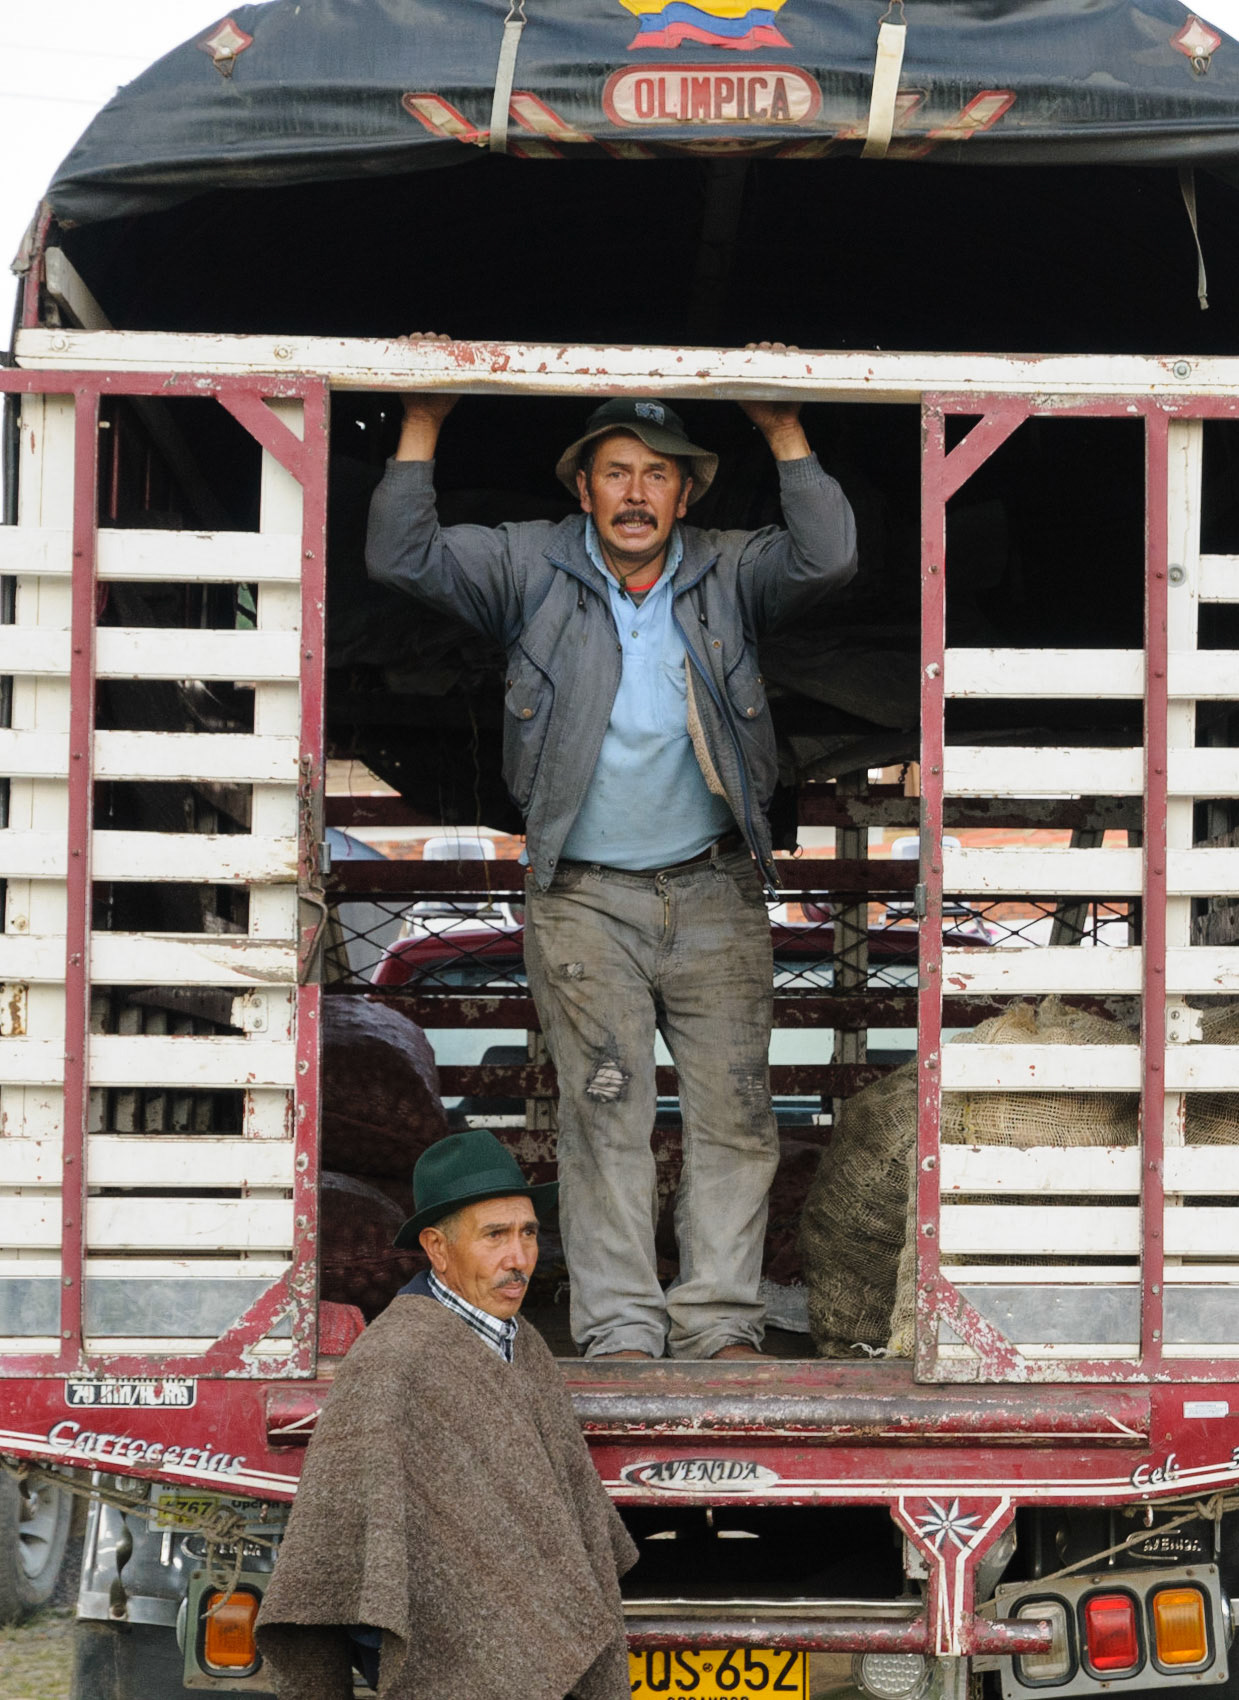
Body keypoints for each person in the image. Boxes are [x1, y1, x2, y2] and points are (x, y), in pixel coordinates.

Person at [365, 366, 857, 1360]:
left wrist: (785, 427)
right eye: (614, 473)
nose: (636, 494)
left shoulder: (726, 569)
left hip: (713, 883)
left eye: (658, 477)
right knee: (605, 1113)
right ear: (580, 489)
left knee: (736, 1113)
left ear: (688, 494)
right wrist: (420, 419)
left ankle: (718, 1325)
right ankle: (622, 1331)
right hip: (583, 893)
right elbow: (400, 552)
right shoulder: (528, 565)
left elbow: (829, 556)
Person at [255, 1128, 636, 1700]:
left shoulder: (521, 1340)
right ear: (437, 1247)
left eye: (528, 1233)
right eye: (495, 1236)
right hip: (444, 1644)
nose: (519, 1258)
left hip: (524, 1628)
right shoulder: (395, 1357)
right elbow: (344, 1541)